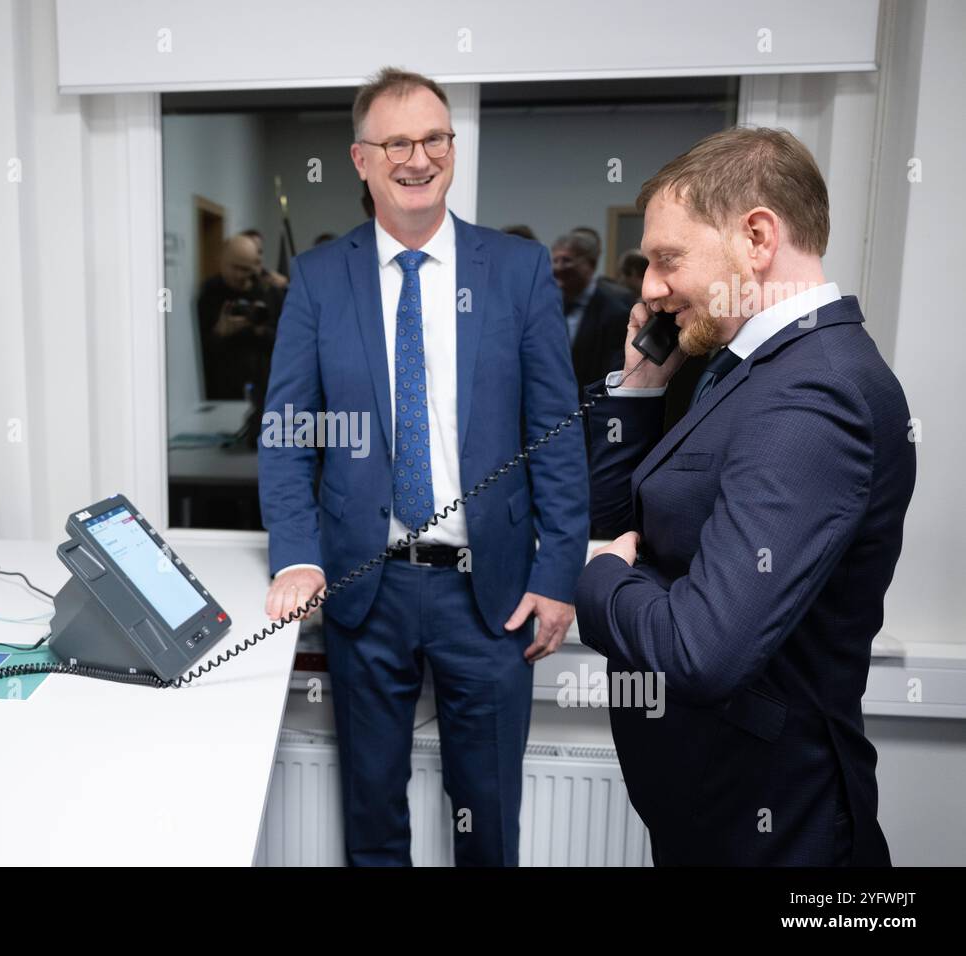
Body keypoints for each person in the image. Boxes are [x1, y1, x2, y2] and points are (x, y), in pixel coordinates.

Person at [259, 67, 588, 866]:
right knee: (372, 821)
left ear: (453, 148)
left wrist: (559, 573)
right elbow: (286, 432)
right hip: (365, 591)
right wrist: (298, 555)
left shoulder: (515, 271)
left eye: (435, 137)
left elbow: (556, 433)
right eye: (397, 141)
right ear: (361, 159)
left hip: (495, 596)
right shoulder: (319, 279)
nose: (419, 157)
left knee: (489, 818)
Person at [575, 126, 916, 866]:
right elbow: (625, 521)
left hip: (776, 831)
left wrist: (597, 578)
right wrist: (639, 388)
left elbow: (703, 649)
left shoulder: (815, 393)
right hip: (710, 812)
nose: (651, 288)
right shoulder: (743, 367)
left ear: (757, 237)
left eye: (668, 259)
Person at [195, 234, 285, 402]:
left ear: (254, 266)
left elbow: (287, 344)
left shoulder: (269, 292)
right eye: (234, 267)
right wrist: (219, 333)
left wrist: (261, 331)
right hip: (223, 390)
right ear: (220, 260)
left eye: (245, 269)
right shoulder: (209, 293)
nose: (238, 275)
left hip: (266, 388)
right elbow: (195, 354)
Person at [551, 231, 633, 393]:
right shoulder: (545, 307)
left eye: (567, 260)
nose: (558, 268)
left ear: (591, 264)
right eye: (555, 260)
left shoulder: (615, 314)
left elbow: (610, 373)